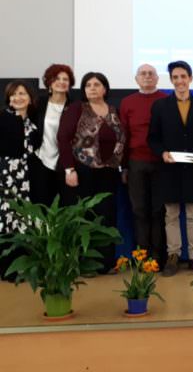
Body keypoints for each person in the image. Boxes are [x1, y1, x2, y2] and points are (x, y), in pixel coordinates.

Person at [148, 60, 193, 276]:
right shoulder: (160, 106)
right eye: (175, 77)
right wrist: (162, 153)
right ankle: (173, 255)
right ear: (171, 80)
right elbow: (153, 139)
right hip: (169, 169)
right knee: (171, 214)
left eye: (183, 76)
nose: (179, 81)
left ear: (190, 78)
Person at [57, 72, 125, 274]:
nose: (92, 88)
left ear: (105, 89)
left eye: (97, 84)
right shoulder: (77, 108)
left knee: (107, 216)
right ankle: (85, 264)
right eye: (88, 85)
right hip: (82, 170)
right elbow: (63, 138)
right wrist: (69, 169)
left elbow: (121, 139)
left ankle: (105, 263)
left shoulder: (113, 110)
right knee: (84, 216)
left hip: (109, 171)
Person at [119, 64, 167, 263]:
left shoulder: (166, 100)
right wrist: (124, 166)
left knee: (158, 210)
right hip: (136, 162)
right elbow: (123, 135)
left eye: (151, 74)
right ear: (136, 79)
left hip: (161, 163)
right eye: (143, 74)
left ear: (157, 78)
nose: (147, 77)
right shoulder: (127, 102)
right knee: (139, 210)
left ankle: (157, 257)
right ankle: (141, 256)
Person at [0, 81, 38, 280]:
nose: (18, 98)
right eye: (13, 95)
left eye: (22, 93)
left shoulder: (33, 122)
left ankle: (23, 266)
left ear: (30, 98)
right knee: (7, 220)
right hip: (6, 175)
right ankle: (7, 269)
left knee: (23, 219)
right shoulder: (4, 118)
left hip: (27, 176)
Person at [29, 64, 75, 206]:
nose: (61, 82)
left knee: (64, 205)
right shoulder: (39, 103)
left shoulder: (75, 106)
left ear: (70, 83)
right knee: (41, 203)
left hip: (64, 163)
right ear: (49, 82)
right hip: (40, 159)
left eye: (65, 79)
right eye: (57, 78)